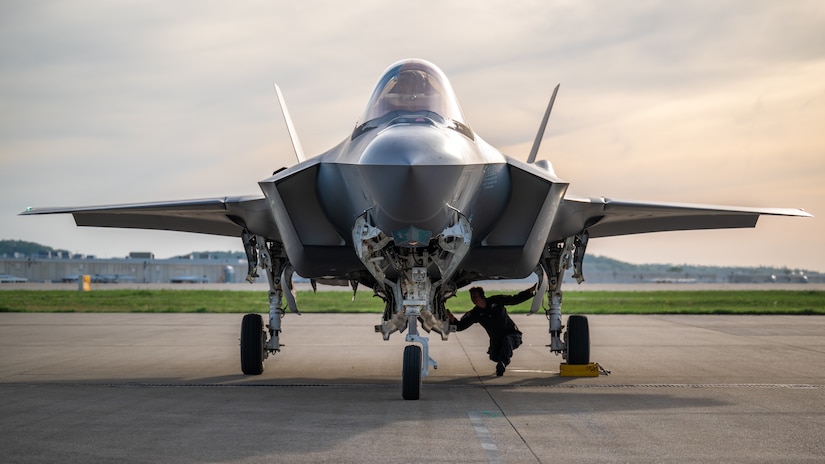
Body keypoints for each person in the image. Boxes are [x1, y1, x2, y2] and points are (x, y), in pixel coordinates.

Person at [452, 284, 537, 376]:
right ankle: (500, 360)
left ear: (482, 295)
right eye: (472, 296)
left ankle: (502, 364)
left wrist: (530, 291)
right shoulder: (475, 313)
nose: (473, 298)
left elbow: (514, 299)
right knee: (495, 356)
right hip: (497, 341)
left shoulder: (496, 300)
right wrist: (449, 316)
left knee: (507, 341)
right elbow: (460, 326)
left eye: (475, 296)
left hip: (513, 335)